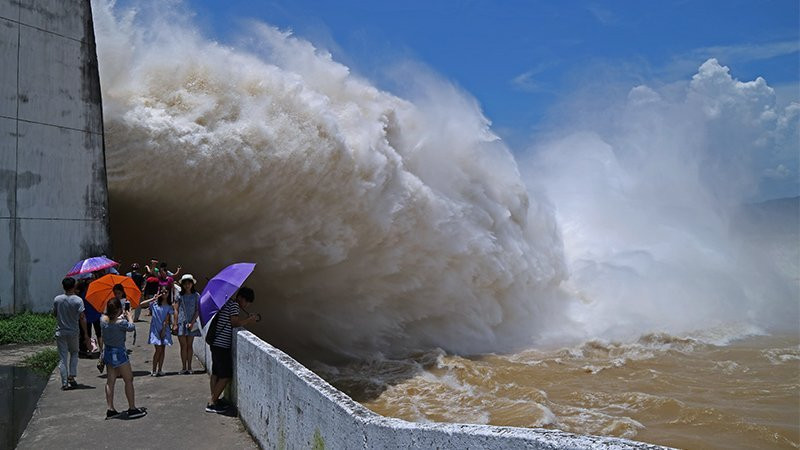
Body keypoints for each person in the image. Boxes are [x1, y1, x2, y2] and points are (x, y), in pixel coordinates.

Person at [206, 287, 260, 413]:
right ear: (241, 298)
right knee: (225, 375)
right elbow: (234, 323)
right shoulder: (235, 306)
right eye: (247, 302)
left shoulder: (227, 303)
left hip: (215, 343)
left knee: (216, 373)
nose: (246, 305)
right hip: (222, 345)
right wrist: (249, 320)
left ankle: (214, 399)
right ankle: (212, 403)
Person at [100, 296, 146, 419]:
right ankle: (132, 408)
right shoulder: (122, 323)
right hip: (119, 353)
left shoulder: (103, 320)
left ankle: (110, 409)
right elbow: (131, 327)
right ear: (119, 310)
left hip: (108, 352)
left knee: (110, 381)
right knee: (128, 379)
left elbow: (110, 319)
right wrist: (130, 316)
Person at [53, 277, 91, 390]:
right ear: (74, 286)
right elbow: (82, 318)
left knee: (62, 357)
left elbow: (55, 313)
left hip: (60, 331)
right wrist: (86, 334)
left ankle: (64, 382)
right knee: (74, 353)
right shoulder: (78, 300)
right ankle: (72, 375)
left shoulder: (57, 299)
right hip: (73, 331)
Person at [139, 288, 173, 376]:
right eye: (162, 292)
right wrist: (153, 299)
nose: (164, 293)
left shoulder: (169, 306)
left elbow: (167, 319)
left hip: (164, 328)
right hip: (155, 329)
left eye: (166, 292)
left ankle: (160, 369)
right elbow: (141, 304)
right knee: (158, 349)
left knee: (163, 350)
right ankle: (153, 369)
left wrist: (164, 330)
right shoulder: (154, 304)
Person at [174, 275, 201, 374]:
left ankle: (189, 367)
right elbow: (176, 309)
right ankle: (183, 367)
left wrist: (192, 322)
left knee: (190, 345)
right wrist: (175, 323)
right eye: (185, 284)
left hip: (192, 323)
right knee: (183, 346)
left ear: (192, 284)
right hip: (181, 322)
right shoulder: (179, 295)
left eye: (189, 283)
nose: (187, 285)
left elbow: (198, 310)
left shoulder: (196, 296)